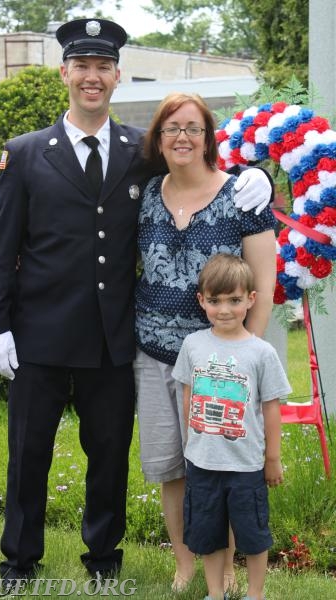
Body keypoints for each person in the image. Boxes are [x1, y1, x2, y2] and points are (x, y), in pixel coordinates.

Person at [0, 18, 272, 594]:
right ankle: (19, 562)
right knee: (28, 454)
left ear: (117, 76)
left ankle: (102, 558)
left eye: (103, 67)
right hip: (39, 334)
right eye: (82, 67)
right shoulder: (25, 155)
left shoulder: (141, 152)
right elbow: (2, 249)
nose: (92, 77)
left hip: (114, 338)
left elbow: (201, 167)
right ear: (65, 73)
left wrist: (256, 177)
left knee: (109, 455)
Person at [134, 92, 277, 593]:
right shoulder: (148, 192)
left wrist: (242, 358)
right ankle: (185, 562)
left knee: (222, 468)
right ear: (158, 137)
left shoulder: (241, 197)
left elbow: (264, 282)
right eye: (172, 128)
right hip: (153, 357)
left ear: (209, 137)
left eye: (193, 128)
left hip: (221, 368)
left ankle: (229, 565)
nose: (182, 137)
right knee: (173, 466)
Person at [172, 253, 291, 600]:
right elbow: (188, 398)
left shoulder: (261, 352)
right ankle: (214, 592)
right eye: (215, 300)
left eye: (234, 300)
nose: (224, 309)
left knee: (253, 535)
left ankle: (255, 593)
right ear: (202, 301)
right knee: (209, 536)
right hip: (203, 463)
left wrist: (273, 458)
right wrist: (190, 444)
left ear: (250, 300)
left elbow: (271, 409)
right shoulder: (193, 345)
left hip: (246, 465)